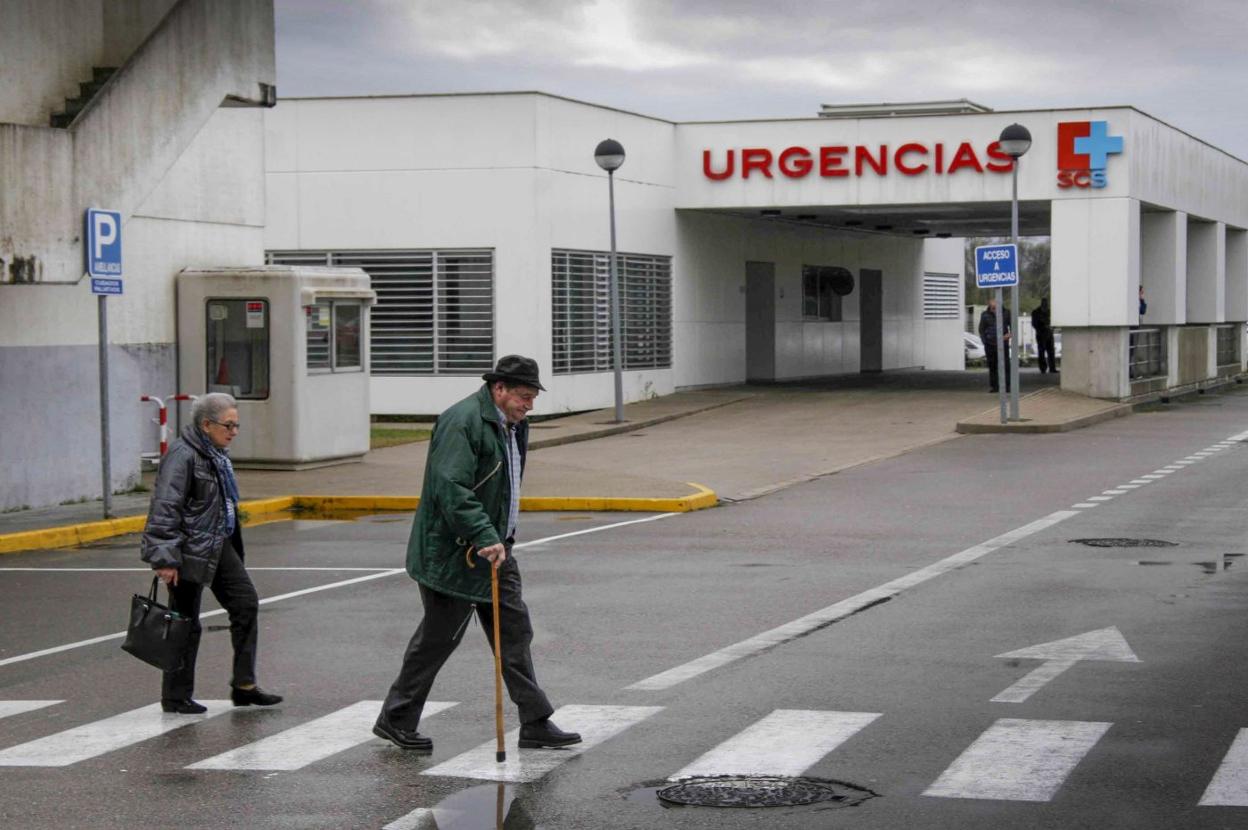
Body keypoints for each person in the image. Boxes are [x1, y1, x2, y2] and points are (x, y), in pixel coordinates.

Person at [375, 355, 580, 752]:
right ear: (498, 389)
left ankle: (535, 720)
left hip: (494, 549)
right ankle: (396, 717)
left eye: (533, 397)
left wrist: (498, 537)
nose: (529, 405)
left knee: (514, 633)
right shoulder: (463, 421)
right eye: (523, 396)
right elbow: (451, 487)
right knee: (439, 638)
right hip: (455, 552)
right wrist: (484, 534)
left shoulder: (512, 424)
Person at [140, 393, 282, 714]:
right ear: (206, 425)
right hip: (189, 549)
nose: (233, 432)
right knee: (184, 622)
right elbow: (165, 506)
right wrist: (164, 558)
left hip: (218, 544)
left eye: (236, 425)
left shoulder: (214, 455)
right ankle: (175, 696)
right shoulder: (183, 455)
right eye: (228, 425)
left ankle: (244, 685)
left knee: (245, 604)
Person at [978, 297, 1012, 393]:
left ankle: (1007, 386)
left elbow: (1012, 326)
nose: (994, 309)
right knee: (992, 366)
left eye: (995, 306)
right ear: (989, 305)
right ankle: (994, 387)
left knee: (1005, 365)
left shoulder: (1006, 313)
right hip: (990, 345)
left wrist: (1009, 335)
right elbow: (981, 330)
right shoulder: (984, 315)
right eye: (992, 307)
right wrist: (985, 341)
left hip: (1003, 344)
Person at [1031, 297, 1057, 374]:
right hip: (1041, 334)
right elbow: (1034, 324)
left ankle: (1052, 368)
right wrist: (1042, 327)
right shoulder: (1036, 312)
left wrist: (1051, 328)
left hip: (1049, 333)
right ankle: (1043, 368)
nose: (1046, 305)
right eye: (1044, 303)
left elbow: (1054, 321)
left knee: (1051, 351)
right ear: (1042, 303)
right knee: (1041, 351)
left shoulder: (1050, 312)